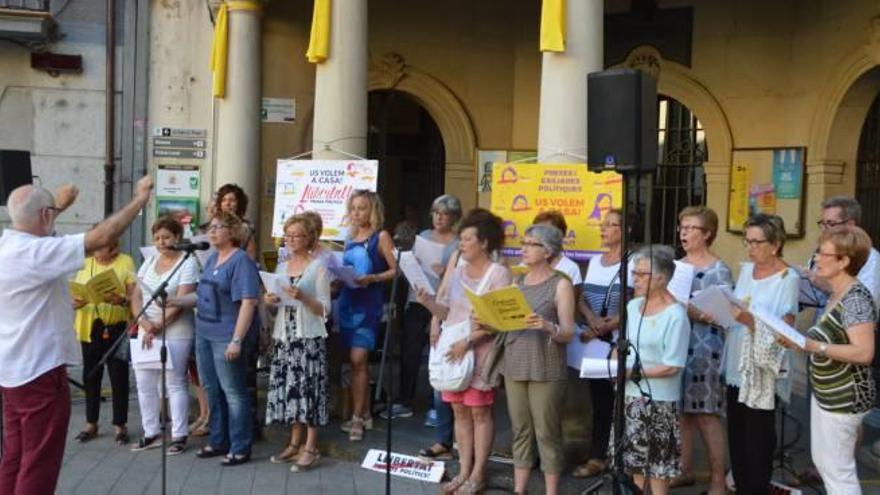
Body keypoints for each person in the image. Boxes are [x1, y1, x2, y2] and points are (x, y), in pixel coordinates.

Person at [0, 176, 153, 495]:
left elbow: (38, 226)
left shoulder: (8, 244)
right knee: (38, 460)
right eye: (50, 213)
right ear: (45, 216)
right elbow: (102, 236)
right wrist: (140, 199)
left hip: (13, 372)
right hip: (40, 371)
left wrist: (56, 207)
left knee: (15, 455)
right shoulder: (35, 253)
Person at [419, 208, 512, 495]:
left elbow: (501, 321)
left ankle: (478, 474)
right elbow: (446, 310)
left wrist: (469, 341)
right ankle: (463, 470)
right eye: (461, 238)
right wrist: (428, 303)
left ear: (484, 243)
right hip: (453, 349)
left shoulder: (499, 274)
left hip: (479, 351)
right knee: (459, 410)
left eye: (468, 239)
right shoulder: (457, 271)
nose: (462, 244)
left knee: (480, 411)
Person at [778, 226, 876, 493]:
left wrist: (813, 345)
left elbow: (864, 353)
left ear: (844, 261)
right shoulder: (837, 294)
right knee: (826, 465)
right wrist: (801, 342)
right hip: (828, 392)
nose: (816, 259)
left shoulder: (855, 299)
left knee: (838, 472)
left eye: (823, 254)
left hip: (844, 396)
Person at [170, 211, 261, 465]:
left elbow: (248, 303)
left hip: (226, 336)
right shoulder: (211, 260)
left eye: (218, 227)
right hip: (204, 334)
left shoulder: (240, 261)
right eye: (210, 227)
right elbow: (201, 295)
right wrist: (174, 300)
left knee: (233, 391)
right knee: (211, 389)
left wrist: (236, 340)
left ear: (232, 232)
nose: (211, 231)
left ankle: (241, 446)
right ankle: (219, 440)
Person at [724, 213, 799, 494]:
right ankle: (743, 487)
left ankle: (755, 489)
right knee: (737, 437)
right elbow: (737, 306)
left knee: (758, 441)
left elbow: (785, 330)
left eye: (757, 242)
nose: (750, 248)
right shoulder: (746, 270)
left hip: (761, 370)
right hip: (736, 361)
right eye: (748, 241)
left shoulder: (787, 278)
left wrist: (749, 321)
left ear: (776, 244)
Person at [500, 224, 575, 495]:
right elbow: (505, 321)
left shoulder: (561, 283)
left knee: (547, 431)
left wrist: (546, 326)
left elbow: (568, 333)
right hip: (515, 360)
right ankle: (520, 490)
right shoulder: (516, 282)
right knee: (520, 430)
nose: (524, 248)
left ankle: (551, 491)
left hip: (546, 364)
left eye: (531, 244)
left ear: (548, 250)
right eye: (524, 242)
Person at [612, 245, 690, 495]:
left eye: (641, 274)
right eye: (634, 272)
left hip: (659, 400)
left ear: (661, 278)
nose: (634, 278)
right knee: (632, 464)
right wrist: (616, 362)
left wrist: (633, 372)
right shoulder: (633, 306)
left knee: (657, 470)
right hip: (629, 395)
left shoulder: (676, 315)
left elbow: (672, 365)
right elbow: (623, 345)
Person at [264, 214, 332, 473]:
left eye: (297, 235)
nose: (291, 240)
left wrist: (303, 297)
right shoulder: (282, 267)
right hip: (285, 337)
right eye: (288, 235)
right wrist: (270, 302)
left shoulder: (319, 267)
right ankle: (294, 442)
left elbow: (326, 310)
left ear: (309, 238)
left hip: (308, 338)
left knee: (309, 390)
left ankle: (311, 446)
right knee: (291, 389)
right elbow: (277, 306)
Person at [385, 194, 460, 424]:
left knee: (437, 354)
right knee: (410, 351)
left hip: (443, 304)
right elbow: (406, 267)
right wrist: (411, 263)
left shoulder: (459, 243)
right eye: (435, 213)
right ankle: (404, 400)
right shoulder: (423, 237)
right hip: (418, 300)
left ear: (454, 217)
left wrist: (446, 271)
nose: (438, 218)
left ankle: (436, 406)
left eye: (444, 214)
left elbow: (463, 276)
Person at [673, 206, 733, 494]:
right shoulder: (677, 266)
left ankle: (718, 479)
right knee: (681, 412)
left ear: (707, 234)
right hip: (677, 344)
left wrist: (687, 307)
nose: (683, 233)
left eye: (691, 228)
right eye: (682, 227)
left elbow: (722, 315)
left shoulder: (718, 270)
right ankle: (684, 470)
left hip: (705, 348)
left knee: (707, 414)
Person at [129, 217, 200, 454]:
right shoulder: (150, 261)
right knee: (144, 382)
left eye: (166, 237)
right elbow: (136, 295)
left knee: (175, 382)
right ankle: (152, 432)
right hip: (146, 328)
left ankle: (179, 435)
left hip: (175, 330)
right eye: (157, 238)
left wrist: (157, 326)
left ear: (177, 238)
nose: (161, 242)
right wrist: (143, 322)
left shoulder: (187, 262)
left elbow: (182, 300)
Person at [573, 208, 631, 478]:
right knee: (600, 399)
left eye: (611, 224)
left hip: (617, 343)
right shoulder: (595, 262)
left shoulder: (633, 262)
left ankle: (618, 456)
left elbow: (634, 304)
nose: (603, 228)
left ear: (625, 230)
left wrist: (604, 327)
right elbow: (582, 298)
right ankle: (598, 454)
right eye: (603, 223)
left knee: (621, 402)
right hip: (593, 340)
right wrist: (591, 319)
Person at [336, 190, 398, 441]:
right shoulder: (348, 237)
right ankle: (362, 411)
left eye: (361, 208)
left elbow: (396, 270)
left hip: (368, 304)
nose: (356, 213)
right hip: (347, 301)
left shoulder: (380, 237)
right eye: (353, 208)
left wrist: (373, 277)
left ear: (372, 210)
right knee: (350, 362)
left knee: (359, 358)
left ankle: (358, 418)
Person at [72, 235, 136, 446]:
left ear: (113, 246)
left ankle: (120, 424)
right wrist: (77, 302)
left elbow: (133, 296)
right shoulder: (85, 264)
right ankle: (91, 423)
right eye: (96, 248)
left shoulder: (125, 261)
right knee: (91, 375)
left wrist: (122, 300)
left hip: (116, 327)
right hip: (90, 327)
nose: (98, 252)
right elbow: (74, 294)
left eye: (104, 247)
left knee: (119, 375)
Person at [531, 210, 583, 289]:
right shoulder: (525, 265)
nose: (541, 236)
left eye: (546, 232)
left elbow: (571, 300)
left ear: (560, 236)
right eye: (537, 231)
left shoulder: (570, 268)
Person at [214, 183, 258, 260]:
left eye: (232, 200)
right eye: (224, 200)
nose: (227, 204)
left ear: (239, 204)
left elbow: (251, 256)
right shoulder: (214, 224)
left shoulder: (246, 227)